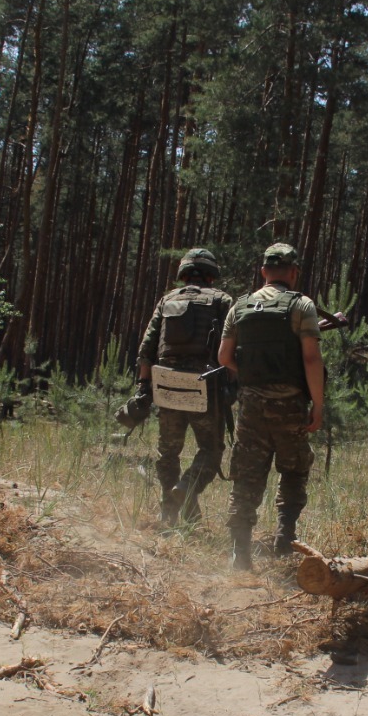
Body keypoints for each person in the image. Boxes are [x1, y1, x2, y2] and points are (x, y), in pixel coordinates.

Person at [217, 243, 325, 570]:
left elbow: (223, 357)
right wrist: (317, 405)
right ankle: (284, 539)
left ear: (263, 272)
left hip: (250, 405)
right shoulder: (302, 305)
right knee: (293, 469)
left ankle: (240, 553)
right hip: (290, 404)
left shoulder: (240, 306)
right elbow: (310, 358)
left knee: (247, 475)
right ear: (293, 272)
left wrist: (252, 375)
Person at [135, 248, 235, 526]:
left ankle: (169, 512)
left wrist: (144, 387)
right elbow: (234, 344)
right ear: (211, 275)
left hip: (166, 385)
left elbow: (146, 349)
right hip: (204, 388)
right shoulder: (222, 300)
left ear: (184, 273)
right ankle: (187, 487)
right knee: (211, 451)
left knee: (168, 453)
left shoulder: (167, 300)